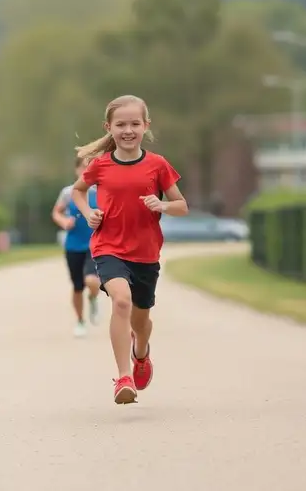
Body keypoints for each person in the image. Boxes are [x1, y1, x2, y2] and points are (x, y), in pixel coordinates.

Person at [70, 94, 188, 406]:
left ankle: (141, 352)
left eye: (135, 123)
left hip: (146, 252)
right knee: (121, 301)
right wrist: (88, 214)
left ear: (145, 125)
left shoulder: (157, 165)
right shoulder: (100, 166)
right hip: (108, 246)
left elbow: (182, 206)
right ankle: (123, 377)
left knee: (141, 322)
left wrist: (161, 203)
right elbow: (78, 192)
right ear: (108, 127)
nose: (128, 130)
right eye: (120, 124)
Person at [52, 156, 101, 337]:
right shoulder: (68, 192)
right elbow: (56, 212)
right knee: (78, 286)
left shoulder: (101, 191)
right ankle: (80, 321)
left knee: (92, 280)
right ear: (77, 170)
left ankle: (94, 297)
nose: (86, 171)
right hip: (73, 245)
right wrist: (64, 221)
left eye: (90, 168)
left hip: (95, 244)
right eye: (83, 168)